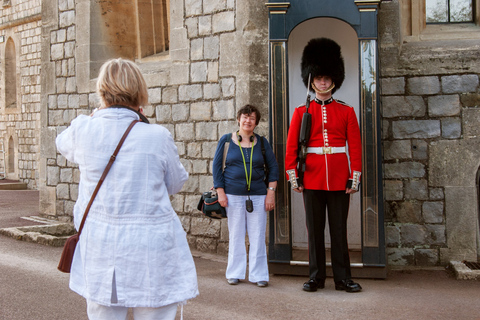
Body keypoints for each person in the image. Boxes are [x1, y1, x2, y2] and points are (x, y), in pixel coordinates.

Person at [56, 58, 198, 319]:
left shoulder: (83, 129)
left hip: (101, 245)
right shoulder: (157, 136)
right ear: (139, 92)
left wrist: (95, 115)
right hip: (151, 245)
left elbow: (62, 143)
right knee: (155, 311)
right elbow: (176, 183)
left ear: (102, 91)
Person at [285, 38, 363, 293]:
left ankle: (343, 279)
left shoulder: (347, 111)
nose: (322, 81)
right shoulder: (300, 112)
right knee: (315, 232)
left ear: (334, 80)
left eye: (327, 77)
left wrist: (355, 177)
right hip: (312, 177)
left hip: (340, 177)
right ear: (312, 78)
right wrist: (293, 177)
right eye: (318, 77)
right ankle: (316, 277)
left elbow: (355, 147)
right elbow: (291, 147)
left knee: (339, 231)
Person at [213, 104, 279, 287]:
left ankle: (259, 275)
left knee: (258, 236)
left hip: (258, 195)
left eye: (252, 118)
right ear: (238, 119)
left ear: (256, 122)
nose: (248, 120)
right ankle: (234, 273)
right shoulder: (226, 141)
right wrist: (220, 192)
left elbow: (273, 168)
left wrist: (270, 193)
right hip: (232, 195)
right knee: (236, 235)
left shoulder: (263, 142)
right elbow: (217, 168)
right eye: (245, 116)